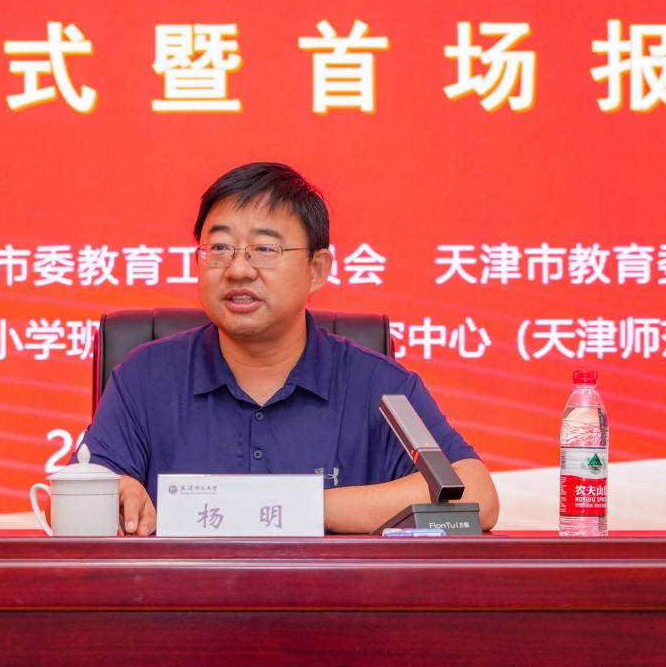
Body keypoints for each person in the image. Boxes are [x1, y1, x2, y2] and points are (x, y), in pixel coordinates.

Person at [85, 162, 499, 535]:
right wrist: (116, 493)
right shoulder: (146, 378)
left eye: (265, 249)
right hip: (183, 598)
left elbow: (474, 498)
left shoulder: (381, 386)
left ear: (317, 269)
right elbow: (77, 495)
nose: (238, 269)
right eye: (220, 248)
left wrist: (294, 508)